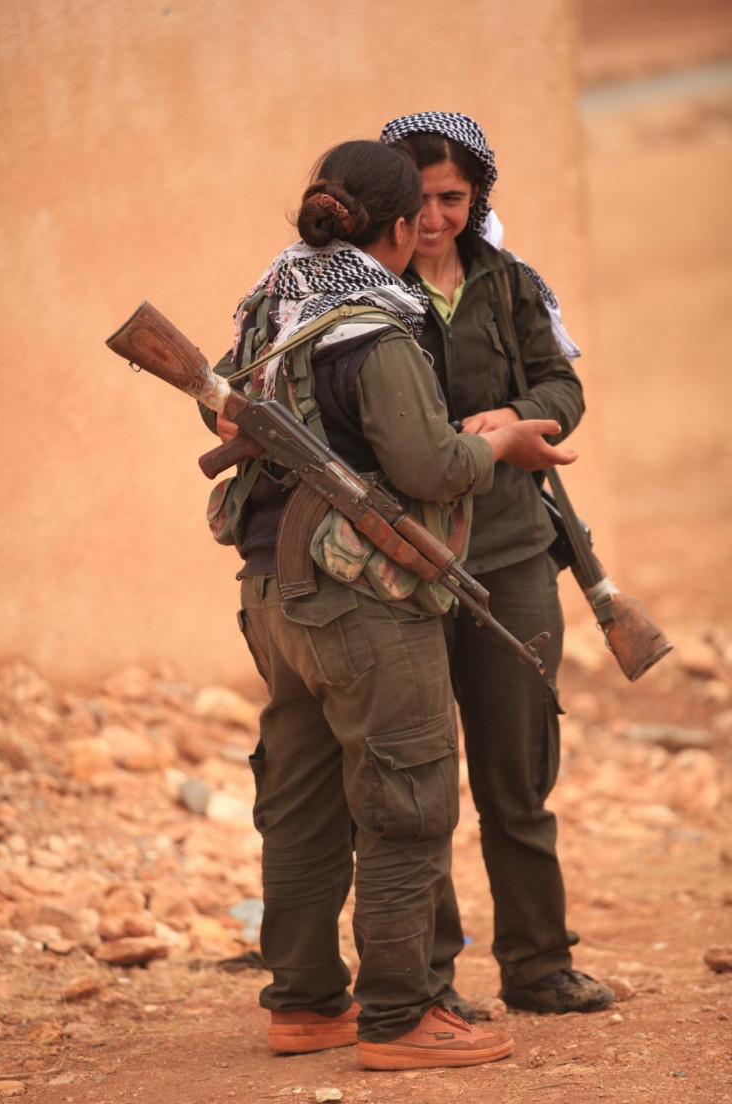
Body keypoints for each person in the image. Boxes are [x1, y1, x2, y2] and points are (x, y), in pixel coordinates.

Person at [200, 139, 577, 1068]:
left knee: (301, 801)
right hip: (360, 603)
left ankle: (306, 1005)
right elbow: (429, 465)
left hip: (273, 594)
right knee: (407, 800)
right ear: (401, 227)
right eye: (424, 215)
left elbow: (219, 406)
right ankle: (402, 1016)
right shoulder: (374, 321)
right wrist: (503, 443)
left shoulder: (275, 299)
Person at [380, 111, 615, 1014]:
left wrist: (514, 421)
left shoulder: (508, 282)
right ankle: (431, 985)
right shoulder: (358, 288)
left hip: (514, 550)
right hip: (400, 560)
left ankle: (539, 965)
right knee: (420, 784)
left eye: (452, 197)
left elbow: (565, 387)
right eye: (419, 198)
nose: (434, 216)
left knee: (518, 777)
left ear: (476, 198)